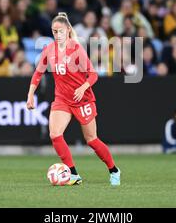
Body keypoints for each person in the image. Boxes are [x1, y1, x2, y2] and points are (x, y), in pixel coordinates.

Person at [26, 12, 121, 186]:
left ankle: (114, 170)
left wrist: (83, 87)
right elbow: (38, 72)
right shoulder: (49, 49)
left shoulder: (76, 49)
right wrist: (30, 94)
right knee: (55, 134)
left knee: (91, 140)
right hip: (62, 99)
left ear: (68, 30)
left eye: (60, 31)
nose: (57, 34)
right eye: (54, 31)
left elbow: (92, 75)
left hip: (82, 99)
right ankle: (73, 173)